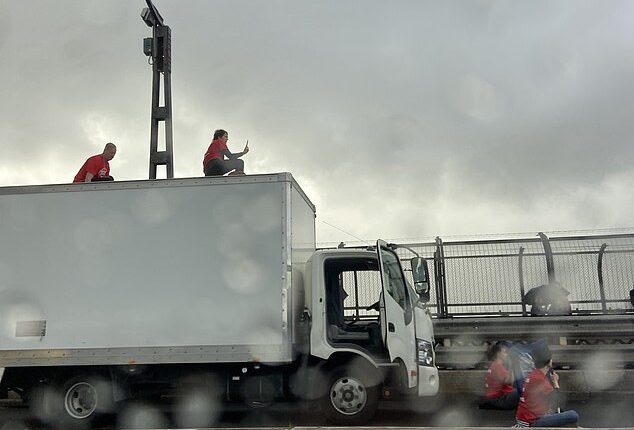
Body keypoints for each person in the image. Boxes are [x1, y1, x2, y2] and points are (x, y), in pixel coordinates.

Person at [515, 343, 579, 427]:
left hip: (526, 417)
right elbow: (559, 402)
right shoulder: (540, 379)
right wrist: (555, 383)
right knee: (573, 415)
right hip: (532, 421)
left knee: (559, 414)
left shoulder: (535, 374)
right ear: (549, 362)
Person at [480, 341, 519, 410]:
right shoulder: (497, 367)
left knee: (519, 388)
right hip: (497, 399)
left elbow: (511, 382)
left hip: (495, 398)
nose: (506, 355)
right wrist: (513, 364)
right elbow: (509, 381)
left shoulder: (495, 366)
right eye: (504, 352)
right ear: (498, 354)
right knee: (520, 391)